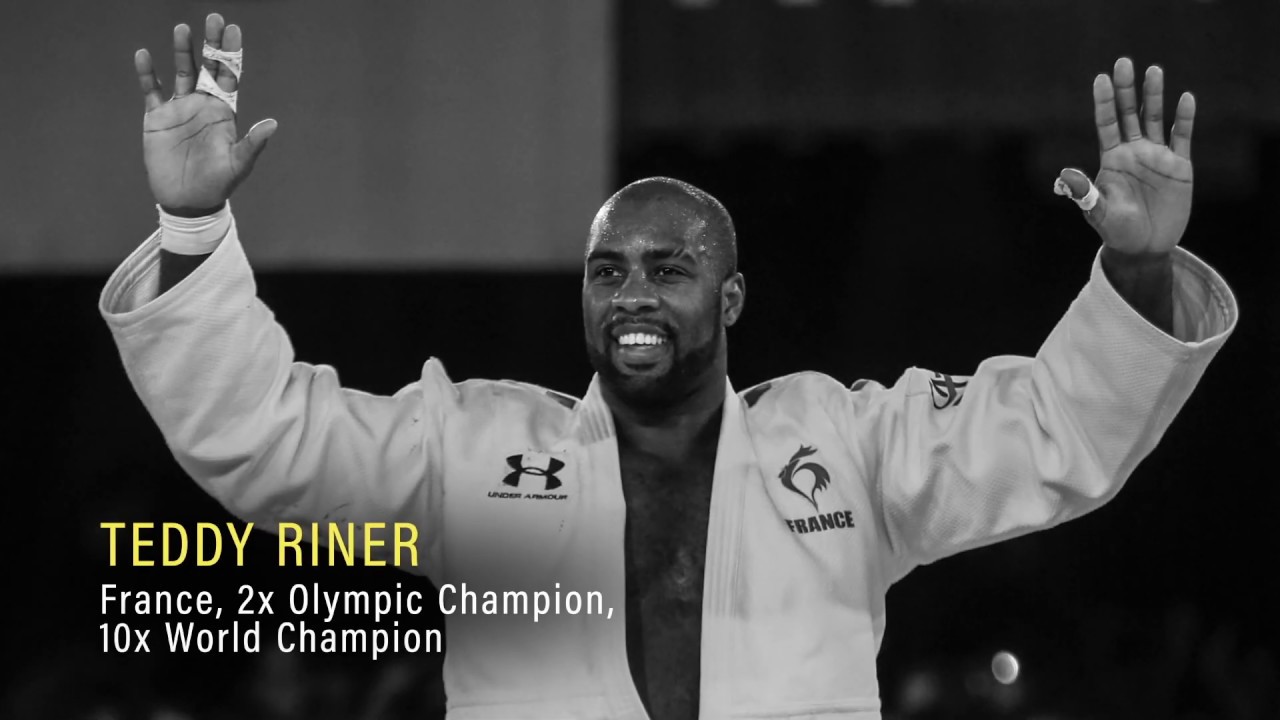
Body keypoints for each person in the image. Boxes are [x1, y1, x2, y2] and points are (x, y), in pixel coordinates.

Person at [101, 13, 1237, 720]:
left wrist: (1138, 268)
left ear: (729, 298)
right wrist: (192, 227)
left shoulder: (843, 447)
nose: (632, 293)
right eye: (607, 271)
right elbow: (267, 440)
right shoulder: (474, 454)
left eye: (668, 268)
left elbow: (1052, 434)